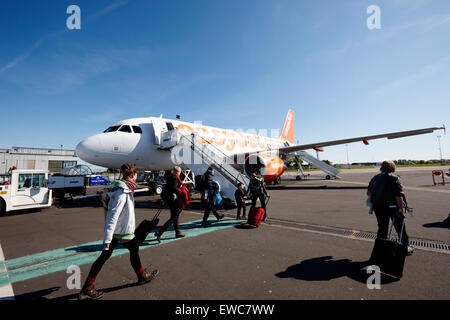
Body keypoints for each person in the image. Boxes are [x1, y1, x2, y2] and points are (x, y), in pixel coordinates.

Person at [79, 163, 158, 300]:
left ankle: (88, 285)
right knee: (132, 252)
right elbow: (112, 215)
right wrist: (107, 239)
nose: (137, 177)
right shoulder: (122, 192)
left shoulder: (123, 188)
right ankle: (141, 277)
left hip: (120, 231)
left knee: (122, 254)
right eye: (136, 175)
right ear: (132, 175)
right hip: (121, 232)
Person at [367, 160, 414, 255]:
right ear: (392, 168)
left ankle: (380, 249)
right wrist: (401, 209)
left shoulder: (375, 177)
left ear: (382, 167)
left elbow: (369, 192)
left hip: (378, 207)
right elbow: (398, 196)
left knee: (382, 228)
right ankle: (405, 247)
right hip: (392, 207)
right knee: (400, 228)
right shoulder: (395, 178)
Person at [154, 166, 185, 242]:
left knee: (175, 217)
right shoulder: (175, 178)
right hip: (174, 200)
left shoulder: (170, 177)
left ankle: (177, 232)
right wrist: (180, 189)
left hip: (171, 200)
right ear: (178, 172)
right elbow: (174, 189)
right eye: (180, 172)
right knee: (173, 218)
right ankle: (159, 232)